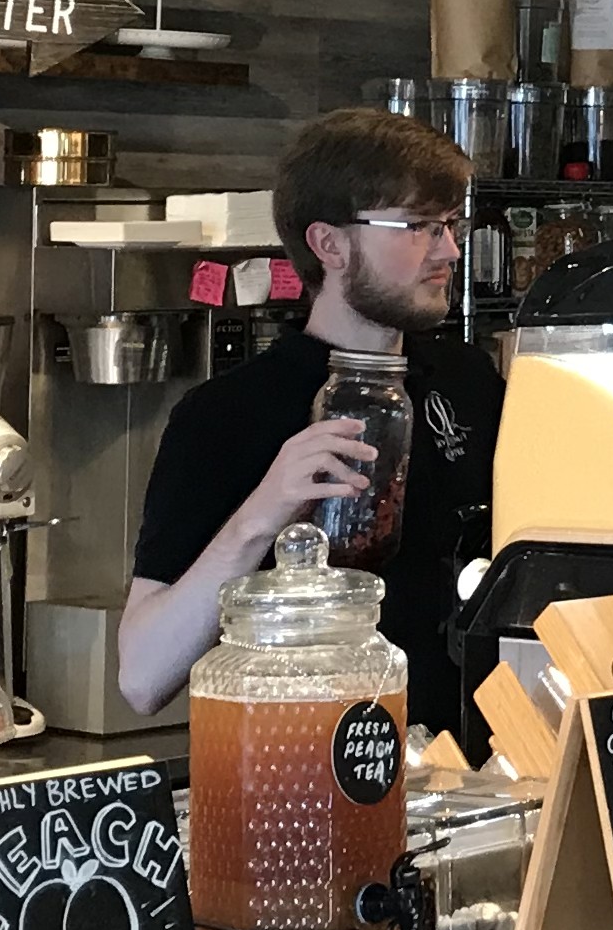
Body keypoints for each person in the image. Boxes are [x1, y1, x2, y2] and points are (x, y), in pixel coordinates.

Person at [116, 110, 500, 728]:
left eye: (451, 225)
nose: (448, 250)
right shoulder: (226, 415)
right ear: (329, 244)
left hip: (469, 785)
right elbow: (142, 676)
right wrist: (263, 512)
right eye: (418, 227)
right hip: (304, 783)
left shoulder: (470, 381)